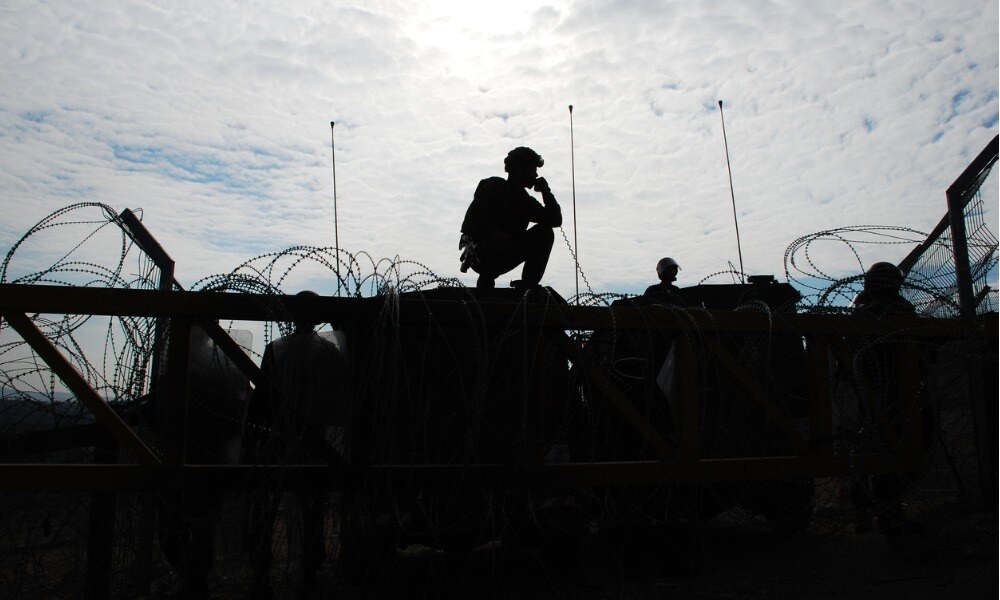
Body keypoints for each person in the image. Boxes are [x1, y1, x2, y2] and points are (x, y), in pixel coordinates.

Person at [245, 291, 347, 599]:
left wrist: (254, 440)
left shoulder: (276, 349)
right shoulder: (329, 351)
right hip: (318, 442)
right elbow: (338, 400)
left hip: (280, 440)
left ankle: (263, 578)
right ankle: (309, 576)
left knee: (268, 510)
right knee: (311, 511)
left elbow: (262, 400)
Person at [459, 146, 563, 290]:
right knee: (498, 243)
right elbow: (470, 222)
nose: (535, 175)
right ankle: (486, 281)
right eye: (532, 169)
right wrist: (493, 233)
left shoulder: (526, 201)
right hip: (482, 252)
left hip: (510, 250)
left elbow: (555, 220)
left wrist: (546, 191)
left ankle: (528, 284)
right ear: (520, 169)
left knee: (545, 232)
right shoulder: (494, 186)